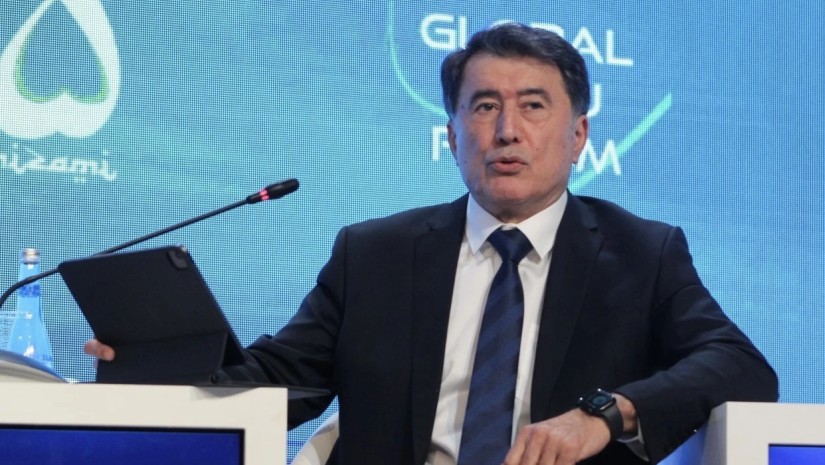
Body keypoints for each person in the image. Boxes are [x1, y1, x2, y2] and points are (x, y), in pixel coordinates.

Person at [86, 23, 778, 465]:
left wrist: (604, 414)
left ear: (578, 137)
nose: (506, 130)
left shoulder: (640, 253)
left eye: (533, 105)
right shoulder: (374, 255)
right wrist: (162, 364)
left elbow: (740, 366)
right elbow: (281, 382)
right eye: (484, 106)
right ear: (451, 136)